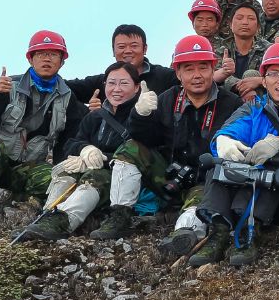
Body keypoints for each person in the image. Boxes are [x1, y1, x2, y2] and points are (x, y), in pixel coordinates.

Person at [161, 43, 279, 266]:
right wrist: (224, 141)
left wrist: (278, 142)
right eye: (274, 74)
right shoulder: (251, 108)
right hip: (252, 184)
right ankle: (219, 231)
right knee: (218, 163)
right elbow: (229, 131)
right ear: (264, 80)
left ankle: (251, 232)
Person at [89, 35, 242, 241]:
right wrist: (140, 115)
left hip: (206, 183)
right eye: (188, 69)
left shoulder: (231, 103)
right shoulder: (168, 98)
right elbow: (145, 138)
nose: (197, 75)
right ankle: (119, 216)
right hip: (168, 178)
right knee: (130, 149)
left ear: (213, 69)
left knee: (195, 214)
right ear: (177, 73)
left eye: (203, 67)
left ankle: (182, 235)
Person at [0, 31, 88, 228]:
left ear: (62, 61)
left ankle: (23, 196)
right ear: (30, 59)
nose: (46, 59)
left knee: (59, 180)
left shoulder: (68, 99)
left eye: (54, 54)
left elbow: (68, 142)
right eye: (40, 54)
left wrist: (95, 113)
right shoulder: (7, 86)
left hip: (27, 167)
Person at [15, 62, 142, 242]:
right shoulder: (95, 117)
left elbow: (143, 149)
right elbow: (73, 142)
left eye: (124, 83)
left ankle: (63, 223)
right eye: (111, 83)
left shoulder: (142, 115)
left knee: (94, 177)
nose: (117, 89)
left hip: (122, 178)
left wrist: (103, 158)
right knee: (67, 171)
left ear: (137, 88)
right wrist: (84, 150)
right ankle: (47, 216)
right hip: (93, 169)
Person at [69, 24, 177, 102]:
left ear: (145, 49)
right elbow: (63, 88)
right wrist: (94, 114)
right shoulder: (102, 82)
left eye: (134, 46)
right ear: (113, 51)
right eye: (121, 47)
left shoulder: (166, 76)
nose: (128, 50)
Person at [215, 3, 269, 102]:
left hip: (263, 102)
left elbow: (278, 76)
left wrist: (260, 81)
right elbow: (213, 76)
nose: (245, 22)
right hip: (226, 103)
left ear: (258, 27)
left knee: (251, 74)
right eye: (239, 18)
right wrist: (243, 85)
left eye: (251, 19)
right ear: (230, 24)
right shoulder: (220, 49)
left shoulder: (269, 50)